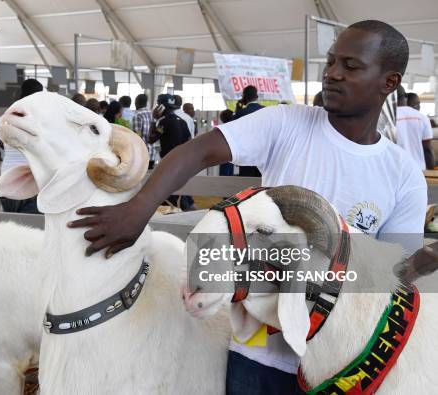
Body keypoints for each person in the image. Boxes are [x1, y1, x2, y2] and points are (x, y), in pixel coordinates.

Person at [68, 20, 426, 395]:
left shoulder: (402, 174)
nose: (333, 74)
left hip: (341, 365)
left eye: (351, 66)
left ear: (389, 82)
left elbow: (397, 272)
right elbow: (199, 151)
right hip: (258, 352)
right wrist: (139, 210)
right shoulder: (288, 124)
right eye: (332, 61)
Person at [0, 78, 43, 214]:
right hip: (31, 187)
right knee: (30, 231)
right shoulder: (40, 121)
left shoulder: (7, 118)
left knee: (10, 230)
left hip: (7, 184)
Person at [148, 93, 194, 210]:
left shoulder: (163, 122)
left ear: (161, 107)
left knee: (168, 193)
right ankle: (187, 207)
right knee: (177, 190)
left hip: (168, 162)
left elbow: (151, 139)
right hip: (181, 162)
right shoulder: (181, 121)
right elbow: (188, 140)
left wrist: (154, 119)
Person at [396, 85, 434, 170]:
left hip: (396, 170)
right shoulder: (422, 117)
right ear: (405, 97)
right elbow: (427, 148)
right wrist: (431, 172)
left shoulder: (387, 119)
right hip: (419, 170)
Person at [131, 94, 156, 169]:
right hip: (152, 154)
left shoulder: (137, 115)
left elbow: (137, 136)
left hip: (142, 155)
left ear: (136, 102)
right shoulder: (151, 113)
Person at [218, 109, 236, 176]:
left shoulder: (221, 128)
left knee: (225, 174)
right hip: (230, 154)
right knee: (228, 174)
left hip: (224, 155)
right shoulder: (231, 128)